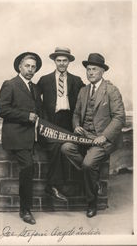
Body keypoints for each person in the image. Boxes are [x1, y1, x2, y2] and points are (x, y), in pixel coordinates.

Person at [61, 53, 126, 217]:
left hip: (102, 139)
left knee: (89, 164)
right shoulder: (83, 91)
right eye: (88, 69)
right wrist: (76, 126)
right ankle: (92, 180)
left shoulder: (111, 90)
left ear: (102, 71)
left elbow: (119, 117)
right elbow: (75, 114)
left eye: (94, 69)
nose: (90, 73)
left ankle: (92, 202)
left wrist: (104, 136)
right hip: (84, 136)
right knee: (66, 147)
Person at [0, 52, 43, 225]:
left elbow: (39, 111)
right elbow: (2, 110)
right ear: (19, 67)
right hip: (16, 137)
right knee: (28, 167)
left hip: (32, 136)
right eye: (27, 66)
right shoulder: (10, 84)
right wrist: (26, 116)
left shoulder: (35, 87)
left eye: (33, 67)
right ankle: (25, 210)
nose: (30, 69)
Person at [37, 47, 84, 201]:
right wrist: (42, 119)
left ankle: (58, 185)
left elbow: (88, 94)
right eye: (59, 60)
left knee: (68, 147)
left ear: (69, 62)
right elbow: (35, 100)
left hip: (69, 121)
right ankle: (55, 186)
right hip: (51, 121)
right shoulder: (44, 79)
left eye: (65, 60)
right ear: (54, 61)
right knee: (56, 146)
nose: (62, 63)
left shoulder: (76, 80)